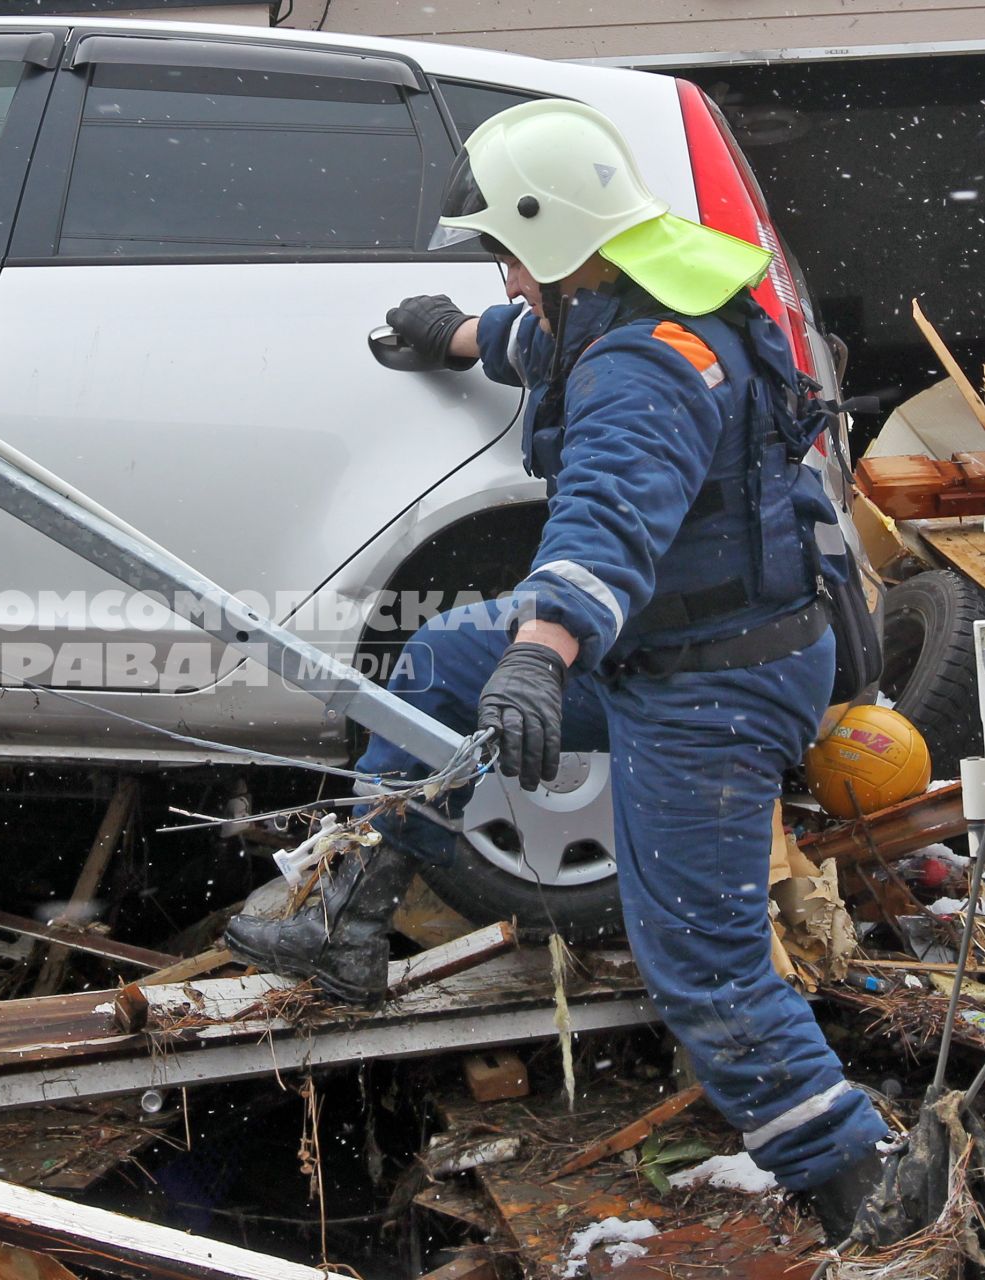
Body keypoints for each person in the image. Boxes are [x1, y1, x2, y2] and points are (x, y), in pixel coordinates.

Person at [224, 99, 907, 1244]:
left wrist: (541, 655)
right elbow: (545, 343)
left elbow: (605, 525)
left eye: (501, 250)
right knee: (442, 654)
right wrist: (454, 335)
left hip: (712, 683)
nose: (501, 272)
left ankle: (876, 1195)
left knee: (706, 969)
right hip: (695, 645)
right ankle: (351, 915)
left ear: (545, 235)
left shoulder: (643, 370)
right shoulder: (642, 296)